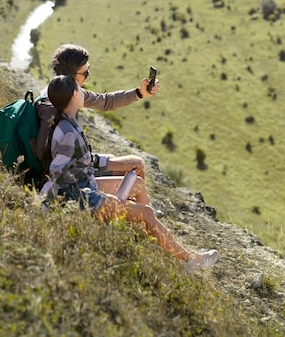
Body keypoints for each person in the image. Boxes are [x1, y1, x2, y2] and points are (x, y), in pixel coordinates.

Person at [39, 75, 220, 274]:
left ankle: (153, 235)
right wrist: (41, 205)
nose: (84, 92)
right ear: (74, 95)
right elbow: (56, 173)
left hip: (85, 187)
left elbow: (83, 160)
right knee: (147, 213)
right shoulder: (67, 132)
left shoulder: (67, 122)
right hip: (82, 198)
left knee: (138, 184)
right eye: (80, 90)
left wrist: (115, 163)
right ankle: (188, 261)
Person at [36, 44, 158, 192]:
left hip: (78, 163)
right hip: (71, 175)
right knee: (136, 164)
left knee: (115, 158)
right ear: (72, 77)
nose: (89, 75)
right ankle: (130, 210)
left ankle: (127, 206)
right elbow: (46, 154)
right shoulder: (52, 106)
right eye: (85, 73)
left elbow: (105, 101)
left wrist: (139, 93)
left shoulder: (67, 93)